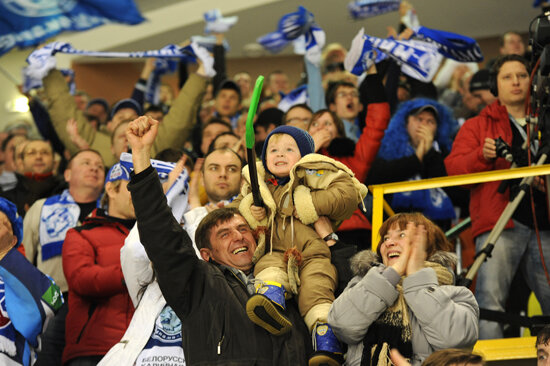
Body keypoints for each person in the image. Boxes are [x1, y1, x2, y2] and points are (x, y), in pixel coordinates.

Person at [125, 115, 312, 364]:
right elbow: (161, 236)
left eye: (243, 229)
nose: (238, 236)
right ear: (206, 254)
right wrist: (140, 155)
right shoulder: (199, 284)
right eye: (224, 234)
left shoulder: (285, 278)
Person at [237, 125, 367, 365]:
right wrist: (251, 208)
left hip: (314, 251)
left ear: (304, 157)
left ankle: (326, 342)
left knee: (317, 288)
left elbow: (347, 193)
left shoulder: (313, 178)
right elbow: (234, 212)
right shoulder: (261, 187)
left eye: (289, 149)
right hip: (274, 249)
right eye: (273, 150)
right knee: (268, 266)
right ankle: (270, 302)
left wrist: (311, 205)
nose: (280, 154)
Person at [444, 54, 550, 339]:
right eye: (507, 77)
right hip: (500, 224)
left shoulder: (545, 120)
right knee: (489, 304)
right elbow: (453, 168)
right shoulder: (478, 125)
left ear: (533, 81)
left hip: (545, 225)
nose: (516, 82)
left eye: (522, 75)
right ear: (495, 85)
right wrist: (482, 155)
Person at [328, 212, 479, 365]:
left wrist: (416, 279)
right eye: (386, 238)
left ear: (427, 246)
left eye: (401, 235)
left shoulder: (458, 295)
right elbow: (342, 327)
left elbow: (456, 344)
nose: (389, 243)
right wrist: (391, 275)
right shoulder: (361, 284)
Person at [42, 55, 210, 167]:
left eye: (133, 117)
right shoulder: (92, 142)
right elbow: (62, 108)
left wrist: (202, 73)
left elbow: (181, 117)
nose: (128, 121)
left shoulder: (157, 143)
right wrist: (48, 70)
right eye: (121, 117)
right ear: (108, 125)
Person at [22, 149, 105, 365]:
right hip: (52, 300)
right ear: (67, 175)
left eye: (99, 166)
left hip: (100, 303)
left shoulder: (112, 212)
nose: (94, 168)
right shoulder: (42, 208)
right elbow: (23, 259)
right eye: (86, 163)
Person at [61, 162, 136, 365]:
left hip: (146, 351)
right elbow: (81, 280)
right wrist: (133, 271)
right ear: (111, 189)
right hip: (94, 350)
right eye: (133, 186)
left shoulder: (158, 238)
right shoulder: (81, 234)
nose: (141, 194)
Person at [366, 99, 458, 230]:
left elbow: (456, 192)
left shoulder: (444, 154)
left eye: (430, 121)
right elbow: (374, 177)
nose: (424, 126)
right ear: (406, 123)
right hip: (395, 226)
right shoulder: (387, 150)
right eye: (419, 119)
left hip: (436, 229)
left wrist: (430, 153)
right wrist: (417, 158)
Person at [0, 197, 64, 366]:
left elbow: (53, 302)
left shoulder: (30, 277)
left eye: (3, 223)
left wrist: (4, 253)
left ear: (13, 240)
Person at [0, 140, 66, 217]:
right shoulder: (8, 198)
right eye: (31, 153)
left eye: (45, 153)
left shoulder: (66, 189)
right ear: (22, 162)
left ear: (54, 161)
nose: (38, 157)